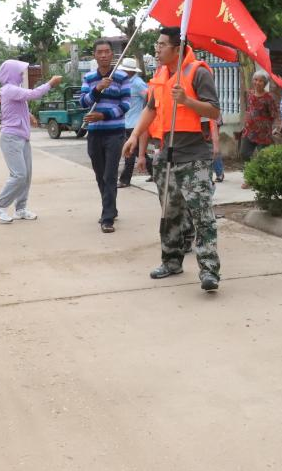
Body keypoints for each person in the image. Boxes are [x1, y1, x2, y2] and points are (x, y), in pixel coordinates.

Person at [121, 27, 222, 292]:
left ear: (177, 48)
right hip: (166, 154)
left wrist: (187, 100)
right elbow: (151, 110)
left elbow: (213, 110)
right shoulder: (159, 75)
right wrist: (134, 137)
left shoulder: (198, 72)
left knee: (202, 215)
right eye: (157, 44)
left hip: (194, 156)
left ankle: (209, 270)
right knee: (170, 212)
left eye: (162, 44)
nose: (157, 48)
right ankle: (171, 261)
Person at [0, 60, 62, 223]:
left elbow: (19, 104)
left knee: (26, 175)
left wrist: (28, 114)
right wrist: (50, 83)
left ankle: (20, 209)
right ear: (11, 73)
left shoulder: (13, 91)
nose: (22, 75)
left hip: (22, 137)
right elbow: (33, 94)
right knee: (19, 175)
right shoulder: (9, 89)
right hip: (11, 138)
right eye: (20, 72)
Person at [80, 40, 131, 233]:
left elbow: (126, 104)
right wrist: (98, 88)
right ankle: (111, 207)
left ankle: (107, 217)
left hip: (115, 133)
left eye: (107, 52)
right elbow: (83, 102)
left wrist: (104, 115)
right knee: (100, 174)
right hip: (94, 133)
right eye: (99, 52)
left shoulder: (121, 77)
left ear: (112, 55)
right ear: (94, 55)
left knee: (110, 175)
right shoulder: (89, 77)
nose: (103, 55)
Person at [239, 70, 279, 188]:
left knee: (264, 157)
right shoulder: (250, 94)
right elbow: (248, 110)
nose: (257, 82)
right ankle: (249, 178)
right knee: (244, 154)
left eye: (261, 81)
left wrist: (269, 127)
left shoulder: (269, 97)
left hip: (263, 134)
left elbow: (273, 114)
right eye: (256, 80)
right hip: (249, 131)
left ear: (265, 83)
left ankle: (264, 180)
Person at [117, 58, 149, 188]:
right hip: (128, 121)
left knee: (129, 152)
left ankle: (125, 179)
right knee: (136, 152)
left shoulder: (137, 83)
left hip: (135, 123)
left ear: (129, 71)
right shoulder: (126, 82)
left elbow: (149, 96)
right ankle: (154, 171)